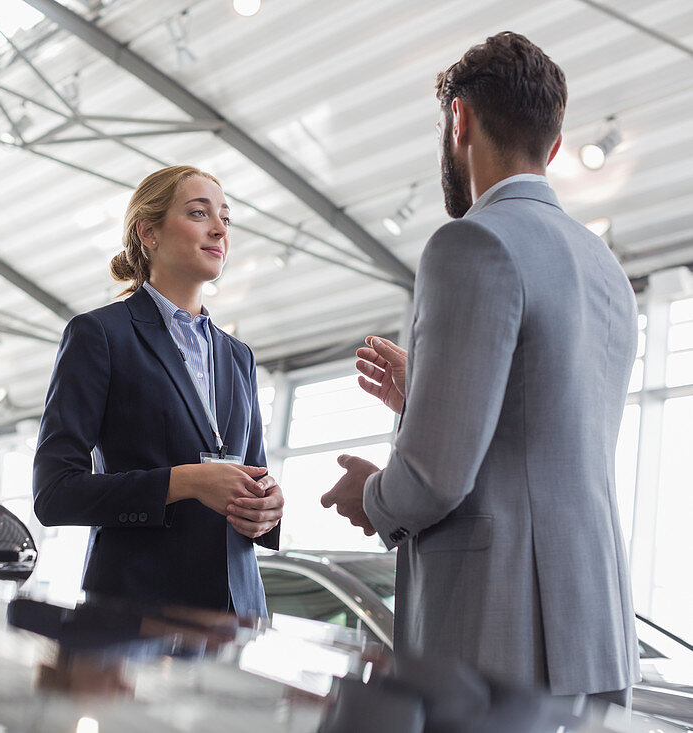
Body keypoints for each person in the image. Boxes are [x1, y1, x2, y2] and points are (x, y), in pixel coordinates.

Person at [320, 32, 639, 704]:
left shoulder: (472, 242)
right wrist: (426, 393)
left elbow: (436, 480)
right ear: (552, 146)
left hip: (495, 630)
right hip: (594, 629)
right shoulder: (606, 269)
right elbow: (542, 428)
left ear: (459, 119)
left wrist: (371, 498)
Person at [33, 165, 283, 618]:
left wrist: (269, 508)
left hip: (239, 615)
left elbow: (255, 475)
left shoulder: (238, 356)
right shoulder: (101, 335)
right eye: (198, 213)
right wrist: (185, 481)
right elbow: (54, 493)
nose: (218, 229)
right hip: (137, 615)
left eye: (225, 218)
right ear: (148, 232)